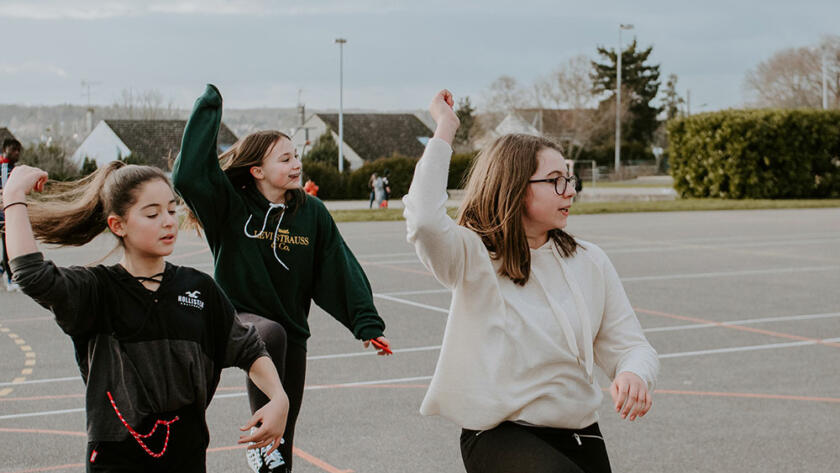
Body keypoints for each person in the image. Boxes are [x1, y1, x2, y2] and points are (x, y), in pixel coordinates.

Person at [403, 90, 659, 473]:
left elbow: (632, 346)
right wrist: (446, 127)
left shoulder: (589, 260)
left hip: (580, 432)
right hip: (498, 434)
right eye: (555, 181)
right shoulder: (472, 255)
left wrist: (634, 373)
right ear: (515, 187)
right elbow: (424, 220)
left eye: (569, 179)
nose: (570, 190)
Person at [2, 161, 289, 473]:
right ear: (118, 225)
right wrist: (13, 195)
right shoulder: (96, 290)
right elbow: (31, 274)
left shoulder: (199, 289)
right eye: (152, 214)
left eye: (172, 210)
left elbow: (249, 348)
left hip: (187, 458)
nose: (168, 222)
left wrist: (278, 398)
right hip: (115, 462)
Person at [173, 84, 391, 473]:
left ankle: (272, 458)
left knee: (283, 437)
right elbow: (189, 176)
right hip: (236, 319)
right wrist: (208, 108)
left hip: (292, 330)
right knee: (268, 334)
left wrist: (366, 322)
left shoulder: (312, 213)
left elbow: (338, 267)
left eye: (296, 157)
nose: (296, 164)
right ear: (257, 171)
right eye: (285, 158)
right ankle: (262, 447)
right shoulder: (230, 205)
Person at [1, 138, 22, 291]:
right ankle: (10, 279)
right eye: (13, 150)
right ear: (5, 150)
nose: (17, 153)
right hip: (4, 215)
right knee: (8, 246)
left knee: (10, 245)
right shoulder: (4, 167)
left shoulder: (13, 168)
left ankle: (4, 271)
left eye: (18, 150)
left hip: (9, 213)